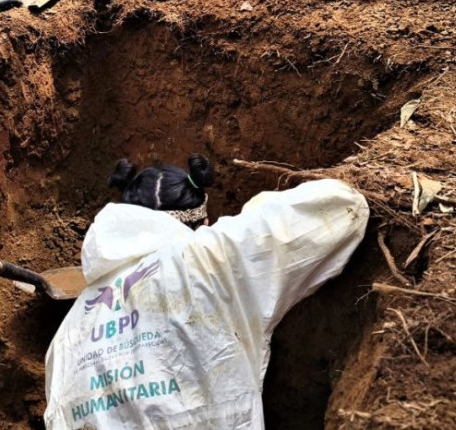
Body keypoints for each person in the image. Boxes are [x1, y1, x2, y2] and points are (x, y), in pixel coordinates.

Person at [43, 155, 369, 429]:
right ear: (204, 220)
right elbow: (342, 206)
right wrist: (251, 212)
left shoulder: (67, 335)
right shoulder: (209, 257)